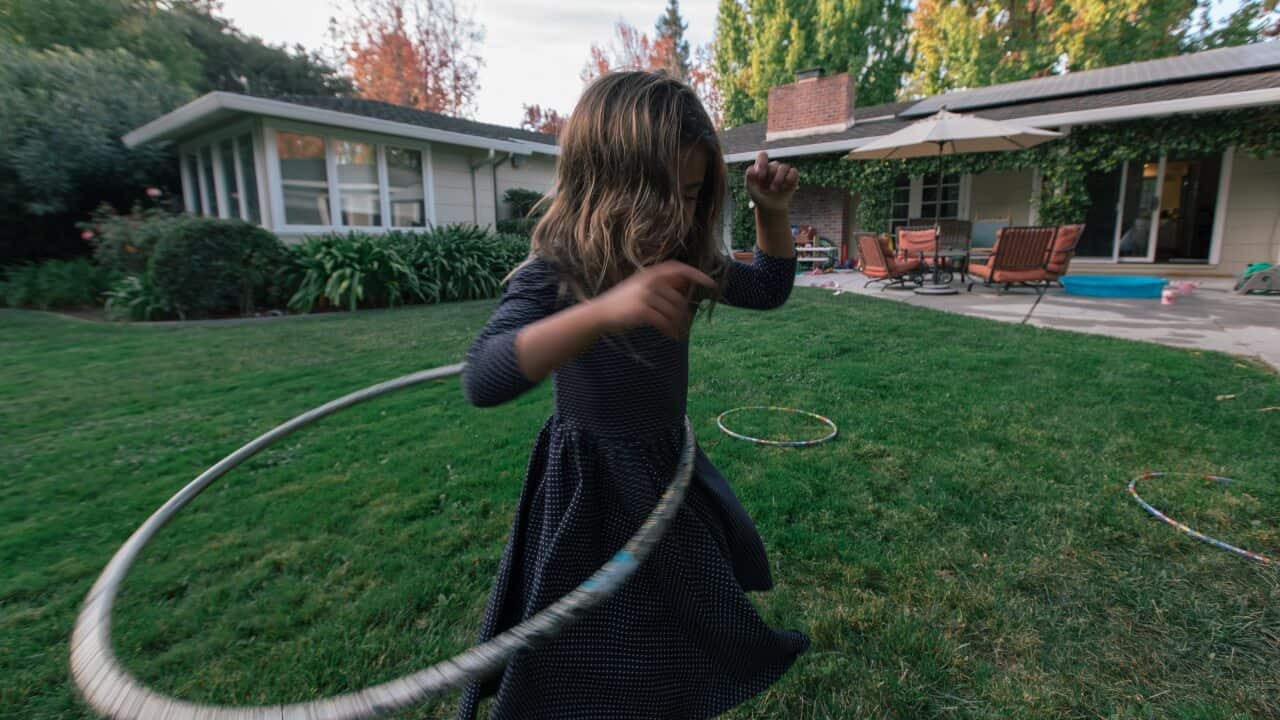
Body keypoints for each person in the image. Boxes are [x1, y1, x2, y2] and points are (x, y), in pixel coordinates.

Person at [457, 70, 808, 720]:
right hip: (590, 487)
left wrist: (772, 214)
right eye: (660, 196)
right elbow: (484, 376)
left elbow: (768, 289)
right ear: (604, 181)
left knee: (671, 626)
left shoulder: (681, 258)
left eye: (693, 194)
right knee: (585, 647)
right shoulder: (557, 271)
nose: (677, 215)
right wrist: (602, 311)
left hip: (666, 470)